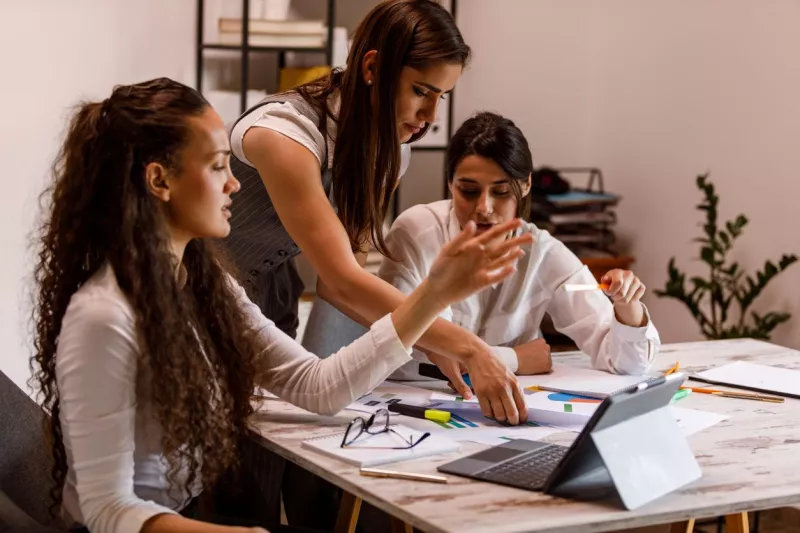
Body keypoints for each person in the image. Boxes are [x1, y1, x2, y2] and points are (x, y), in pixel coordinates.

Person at [28, 79, 530, 533]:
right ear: (159, 181)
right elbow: (107, 511)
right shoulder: (103, 317)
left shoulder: (208, 286)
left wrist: (434, 295)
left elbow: (318, 387)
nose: (235, 183)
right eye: (218, 165)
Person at [224, 0, 529, 423]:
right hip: (199, 288)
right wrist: (468, 346)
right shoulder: (283, 136)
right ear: (372, 69)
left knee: (273, 448)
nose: (430, 117)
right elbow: (342, 281)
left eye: (441, 96)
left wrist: (427, 340)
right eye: (421, 91)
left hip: (273, 293)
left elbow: (347, 282)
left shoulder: (391, 152)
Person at [379, 111, 661, 385]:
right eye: (468, 190)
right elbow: (418, 354)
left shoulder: (543, 252)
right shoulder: (416, 232)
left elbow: (628, 364)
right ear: (450, 183)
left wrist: (628, 308)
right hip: (410, 404)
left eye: (500, 192)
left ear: (526, 184)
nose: (484, 208)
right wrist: (516, 359)